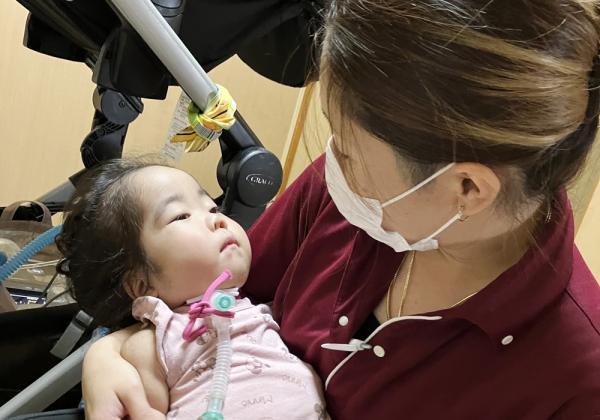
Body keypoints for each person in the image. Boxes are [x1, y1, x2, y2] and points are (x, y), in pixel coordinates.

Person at [82, 1, 600, 418]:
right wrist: (112, 353)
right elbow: (214, 297)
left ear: (467, 188)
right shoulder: (357, 197)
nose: (333, 164)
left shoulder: (576, 383)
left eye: (349, 152)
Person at [55, 159, 327, 420]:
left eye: (213, 208)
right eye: (181, 216)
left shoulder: (269, 312)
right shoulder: (154, 345)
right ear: (141, 284)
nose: (218, 220)